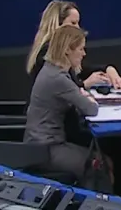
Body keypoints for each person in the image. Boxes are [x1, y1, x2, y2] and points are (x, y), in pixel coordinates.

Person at [25, 2, 121, 195]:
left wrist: (86, 85)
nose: (83, 53)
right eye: (73, 23)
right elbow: (90, 107)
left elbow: (79, 79)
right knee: (102, 161)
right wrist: (83, 91)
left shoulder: (55, 66)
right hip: (49, 145)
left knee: (112, 147)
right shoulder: (55, 73)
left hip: (51, 137)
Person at [23, 25, 101, 184]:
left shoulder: (51, 69)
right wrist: (89, 98)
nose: (84, 54)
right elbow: (91, 109)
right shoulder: (58, 78)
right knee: (98, 164)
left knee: (101, 158)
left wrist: (82, 95)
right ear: (67, 50)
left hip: (44, 143)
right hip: (45, 150)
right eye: (80, 49)